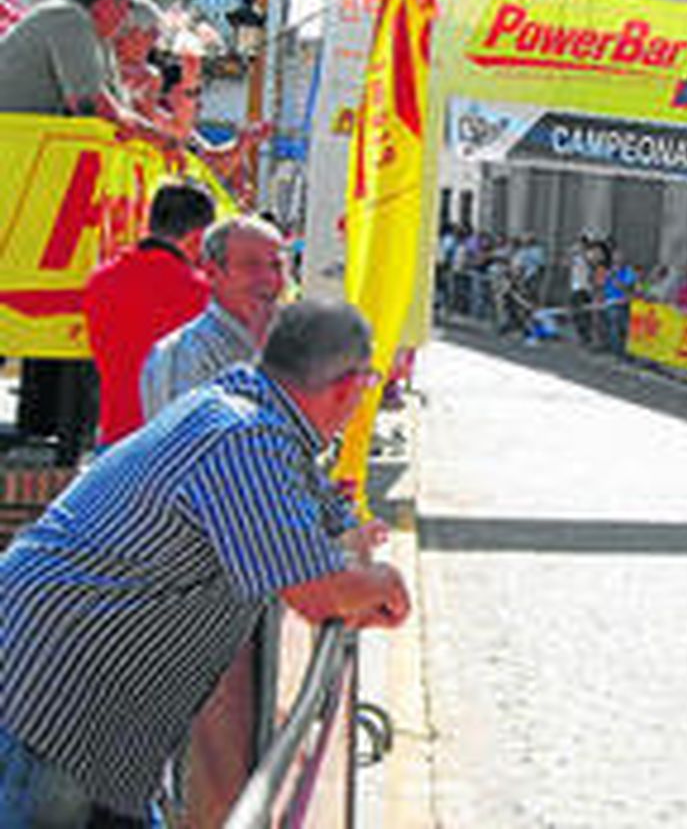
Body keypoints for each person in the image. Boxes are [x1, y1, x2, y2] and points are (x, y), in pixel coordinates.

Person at [0, 300, 409, 824]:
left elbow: (335, 528)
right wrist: (383, 580)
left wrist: (351, 580)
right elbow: (320, 590)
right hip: (47, 707)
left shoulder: (259, 419)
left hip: (90, 721)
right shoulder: (245, 435)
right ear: (348, 387)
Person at [82, 180, 216, 445]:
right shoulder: (204, 294)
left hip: (114, 441)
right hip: (177, 446)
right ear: (198, 237)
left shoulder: (100, 281)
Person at [140, 216, 287, 418]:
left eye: (276, 265)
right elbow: (186, 444)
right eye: (251, 265)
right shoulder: (184, 353)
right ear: (212, 272)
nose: (270, 279)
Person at [0, 0, 150, 138]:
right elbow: (91, 105)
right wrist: (156, 137)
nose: (127, 16)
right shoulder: (69, 18)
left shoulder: (95, 34)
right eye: (129, 5)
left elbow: (118, 106)